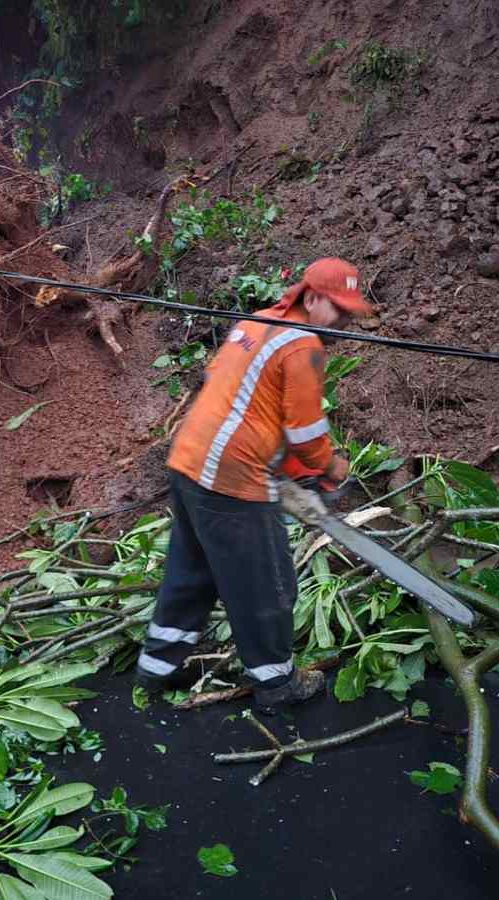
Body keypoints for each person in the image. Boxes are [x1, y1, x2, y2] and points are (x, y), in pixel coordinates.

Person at [136, 258, 373, 712]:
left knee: (192, 574)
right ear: (313, 297)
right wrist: (330, 468)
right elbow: (305, 432)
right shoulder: (303, 346)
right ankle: (277, 683)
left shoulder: (257, 322)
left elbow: (232, 391)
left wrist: (283, 463)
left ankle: (156, 669)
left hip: (189, 462)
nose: (343, 320)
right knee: (268, 583)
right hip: (231, 478)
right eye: (337, 309)